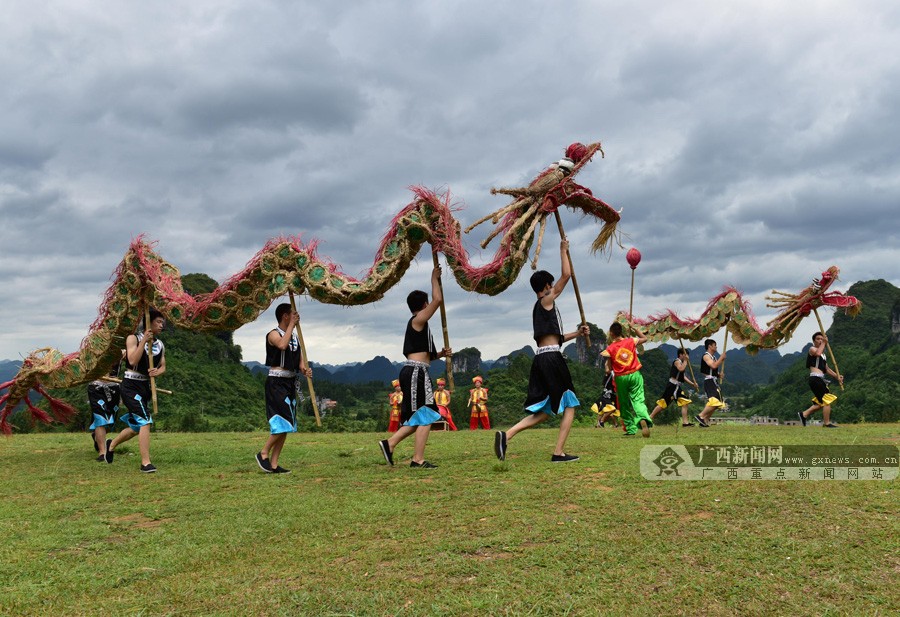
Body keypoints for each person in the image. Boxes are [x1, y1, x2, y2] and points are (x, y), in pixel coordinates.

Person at [494, 239, 589, 463]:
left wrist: (577, 333)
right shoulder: (546, 300)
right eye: (551, 284)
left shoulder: (541, 308)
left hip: (543, 357)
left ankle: (506, 436)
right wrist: (563, 250)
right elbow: (566, 276)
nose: (554, 287)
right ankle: (558, 453)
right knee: (570, 403)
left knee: (545, 411)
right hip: (551, 359)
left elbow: (555, 339)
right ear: (546, 286)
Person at [378, 266, 452, 468]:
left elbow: (423, 354)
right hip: (415, 372)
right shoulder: (418, 320)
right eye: (428, 303)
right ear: (424, 304)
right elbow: (438, 300)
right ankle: (417, 459)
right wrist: (434, 278)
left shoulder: (420, 326)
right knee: (426, 414)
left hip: (418, 370)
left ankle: (389, 444)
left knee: (417, 416)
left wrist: (440, 355)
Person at [105, 309, 166, 473]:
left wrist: (157, 372)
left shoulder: (159, 344)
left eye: (162, 322)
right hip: (130, 385)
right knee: (145, 421)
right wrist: (144, 341)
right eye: (158, 321)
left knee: (136, 427)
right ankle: (145, 463)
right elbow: (132, 359)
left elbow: (163, 366)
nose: (162, 325)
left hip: (144, 386)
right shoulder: (133, 338)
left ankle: (111, 445)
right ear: (149, 322)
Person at [255, 303, 313, 474]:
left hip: (289, 382)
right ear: (285, 316)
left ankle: (274, 464)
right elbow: (281, 345)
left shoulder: (295, 337)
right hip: (276, 382)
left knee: (288, 424)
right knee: (283, 420)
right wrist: (292, 326)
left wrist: (305, 370)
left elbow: (300, 364)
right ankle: (263, 453)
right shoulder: (273, 334)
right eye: (293, 314)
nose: (297, 317)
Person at [603, 322, 653, 437]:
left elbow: (608, 369)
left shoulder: (610, 349)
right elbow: (644, 338)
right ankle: (642, 417)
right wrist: (634, 327)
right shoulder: (631, 341)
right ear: (621, 332)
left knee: (624, 403)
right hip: (635, 374)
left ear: (611, 333)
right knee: (638, 399)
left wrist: (608, 363)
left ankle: (630, 428)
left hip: (621, 378)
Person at [798, 331, 843, 428]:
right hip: (815, 378)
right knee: (827, 400)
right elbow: (817, 353)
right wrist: (824, 342)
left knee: (820, 403)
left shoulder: (823, 355)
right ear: (814, 341)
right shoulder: (812, 349)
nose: (820, 341)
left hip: (820, 379)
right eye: (818, 339)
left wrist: (837, 377)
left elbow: (827, 369)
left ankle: (804, 414)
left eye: (821, 339)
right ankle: (826, 423)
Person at [649, 347, 698, 427]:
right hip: (673, 386)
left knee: (664, 403)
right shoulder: (677, 361)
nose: (687, 357)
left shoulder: (682, 362)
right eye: (685, 355)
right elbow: (681, 369)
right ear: (680, 355)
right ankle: (685, 423)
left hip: (675, 386)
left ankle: (650, 417)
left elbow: (683, 376)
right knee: (682, 402)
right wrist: (686, 361)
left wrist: (692, 384)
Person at [88, 358, 122, 462]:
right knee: (100, 418)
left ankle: (97, 436)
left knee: (110, 420)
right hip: (96, 387)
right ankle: (102, 452)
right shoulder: (93, 350)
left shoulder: (123, 351)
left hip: (114, 388)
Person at [694, 339, 726, 427]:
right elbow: (714, 366)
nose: (716, 347)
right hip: (709, 381)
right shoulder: (706, 356)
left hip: (713, 381)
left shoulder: (714, 357)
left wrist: (719, 375)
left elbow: (711, 370)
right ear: (710, 346)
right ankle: (701, 416)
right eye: (714, 345)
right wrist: (721, 358)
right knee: (714, 401)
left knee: (718, 402)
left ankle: (705, 420)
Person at [590, 361, 621, 429]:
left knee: (602, 411)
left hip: (611, 395)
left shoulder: (615, 375)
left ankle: (599, 424)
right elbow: (607, 369)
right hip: (606, 394)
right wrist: (608, 359)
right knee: (612, 409)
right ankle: (601, 421)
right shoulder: (609, 374)